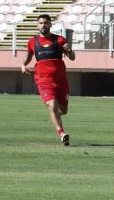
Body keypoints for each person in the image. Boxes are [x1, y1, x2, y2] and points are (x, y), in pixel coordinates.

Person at [20, 14, 76, 146]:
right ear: (37, 25)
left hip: (61, 82)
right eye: (40, 23)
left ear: (50, 24)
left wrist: (69, 50)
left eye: (45, 23)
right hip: (43, 80)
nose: (43, 25)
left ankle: (56, 116)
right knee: (52, 104)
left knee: (63, 111)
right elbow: (28, 55)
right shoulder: (33, 42)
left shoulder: (60, 40)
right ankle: (61, 133)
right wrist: (23, 65)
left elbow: (72, 57)